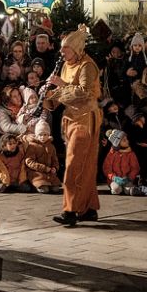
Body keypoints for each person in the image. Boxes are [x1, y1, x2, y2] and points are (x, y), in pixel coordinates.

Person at [44, 25, 103, 227]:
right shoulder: (67, 64)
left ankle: (70, 210)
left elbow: (85, 92)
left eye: (65, 49)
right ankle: (88, 208)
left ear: (76, 49)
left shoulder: (88, 66)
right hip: (72, 117)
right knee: (85, 165)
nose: (61, 52)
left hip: (86, 118)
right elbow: (64, 92)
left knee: (74, 164)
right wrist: (49, 98)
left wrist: (61, 85)